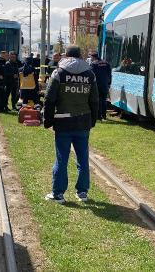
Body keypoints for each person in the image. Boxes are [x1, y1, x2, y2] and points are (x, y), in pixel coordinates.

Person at [43, 46, 99, 203]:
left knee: (62, 158)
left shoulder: (59, 73)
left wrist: (47, 121)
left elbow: (49, 99)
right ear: (81, 56)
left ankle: (58, 194)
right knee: (83, 157)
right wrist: (92, 120)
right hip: (83, 122)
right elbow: (94, 100)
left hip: (63, 122)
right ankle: (82, 192)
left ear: (65, 56)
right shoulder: (90, 74)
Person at [89, 52, 112, 120]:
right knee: (104, 100)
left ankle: (98, 116)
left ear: (93, 57)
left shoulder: (93, 64)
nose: (91, 59)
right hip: (105, 85)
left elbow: (91, 75)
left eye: (91, 57)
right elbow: (110, 74)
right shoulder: (106, 63)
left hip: (97, 85)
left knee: (97, 100)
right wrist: (109, 83)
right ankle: (104, 115)